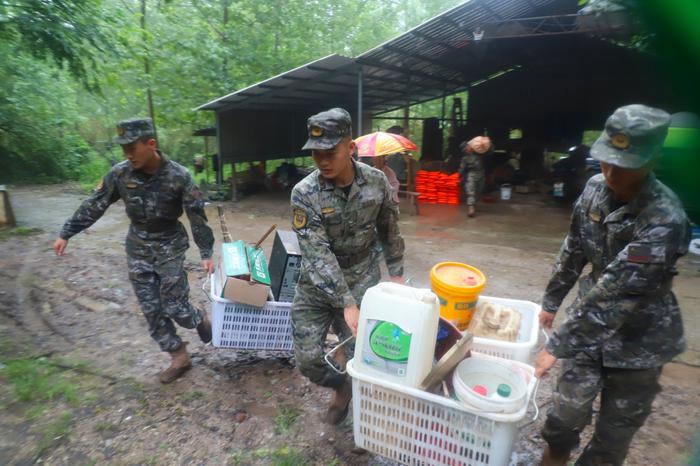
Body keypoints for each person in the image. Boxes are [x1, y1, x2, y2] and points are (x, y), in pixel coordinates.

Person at [535, 104, 690, 466]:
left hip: (640, 339)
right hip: (587, 326)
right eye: (606, 161)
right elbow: (574, 248)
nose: (611, 174)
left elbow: (618, 293)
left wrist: (557, 344)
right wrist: (552, 299)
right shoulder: (593, 189)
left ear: (653, 160)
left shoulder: (665, 218)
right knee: (563, 418)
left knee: (612, 438)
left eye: (626, 166)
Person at [53, 118, 215, 384]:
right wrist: (66, 232)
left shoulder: (180, 176)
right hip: (137, 246)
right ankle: (179, 356)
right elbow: (95, 203)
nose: (127, 154)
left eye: (132, 147)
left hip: (169, 245)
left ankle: (197, 317)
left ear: (150, 144)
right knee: (151, 309)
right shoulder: (120, 174)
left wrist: (206, 252)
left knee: (176, 307)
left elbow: (197, 217)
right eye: (123, 148)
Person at [290, 108, 405, 425]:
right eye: (316, 153)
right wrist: (346, 303)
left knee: (363, 356)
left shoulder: (377, 182)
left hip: (363, 278)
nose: (322, 160)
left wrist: (396, 274)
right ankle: (340, 382)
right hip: (316, 284)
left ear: (350, 148)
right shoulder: (304, 193)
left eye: (330, 152)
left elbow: (389, 230)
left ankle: (351, 398)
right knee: (309, 361)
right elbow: (317, 253)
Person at [458, 136, 493, 217]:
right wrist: (458, 175)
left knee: (478, 191)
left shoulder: (478, 152)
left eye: (466, 148)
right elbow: (461, 168)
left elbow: (489, 151)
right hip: (472, 174)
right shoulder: (465, 158)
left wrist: (487, 144)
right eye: (465, 149)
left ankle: (473, 203)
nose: (466, 150)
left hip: (481, 173)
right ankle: (471, 209)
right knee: (471, 191)